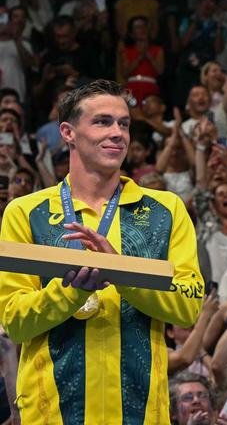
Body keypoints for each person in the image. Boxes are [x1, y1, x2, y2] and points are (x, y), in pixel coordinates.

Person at [0, 79, 203, 422]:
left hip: (141, 414)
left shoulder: (164, 210)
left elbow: (188, 305)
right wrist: (71, 292)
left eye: (123, 124)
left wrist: (122, 274)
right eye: (102, 122)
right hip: (52, 415)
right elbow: (16, 322)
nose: (117, 133)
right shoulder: (25, 212)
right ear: (67, 132)